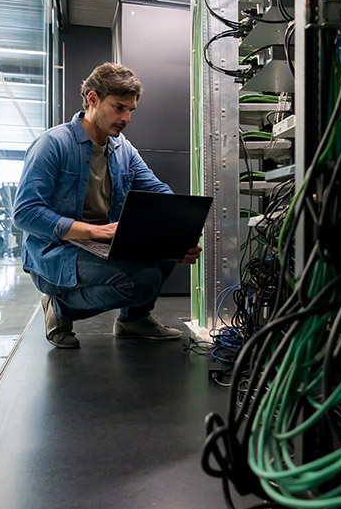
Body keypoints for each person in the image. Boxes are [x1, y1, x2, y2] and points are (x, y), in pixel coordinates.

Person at [13, 62, 201, 348]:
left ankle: (133, 320)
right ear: (92, 99)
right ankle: (59, 308)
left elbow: (157, 191)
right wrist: (91, 231)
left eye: (130, 110)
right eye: (118, 108)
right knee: (142, 280)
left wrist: (177, 235)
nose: (126, 118)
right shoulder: (52, 145)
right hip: (56, 251)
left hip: (101, 244)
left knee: (164, 256)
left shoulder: (123, 148)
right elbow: (25, 213)